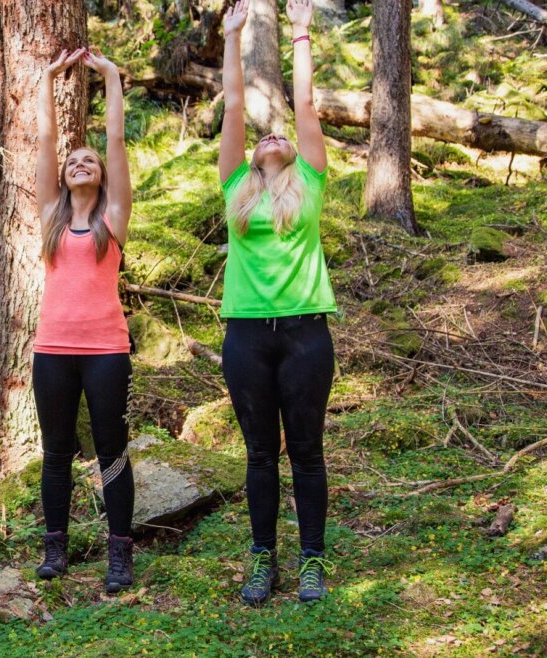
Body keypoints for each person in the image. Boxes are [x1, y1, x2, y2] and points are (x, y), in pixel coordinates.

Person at [218, 0, 337, 606]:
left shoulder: (310, 184)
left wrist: (299, 32)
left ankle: (312, 559)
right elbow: (236, 106)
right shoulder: (237, 186)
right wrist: (234, 37)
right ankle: (263, 557)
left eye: (280, 134)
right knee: (260, 452)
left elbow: (307, 105)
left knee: (307, 450)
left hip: (306, 333)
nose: (271, 135)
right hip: (244, 335)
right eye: (265, 136)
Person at [32, 46, 136, 594]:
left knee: (111, 448)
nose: (79, 163)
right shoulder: (50, 215)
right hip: (51, 350)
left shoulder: (113, 219)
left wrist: (112, 77)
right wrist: (49, 80)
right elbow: (46, 143)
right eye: (74, 161)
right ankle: (56, 549)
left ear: (99, 177)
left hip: (105, 350)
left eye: (88, 161)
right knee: (55, 451)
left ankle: (120, 554)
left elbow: (115, 142)